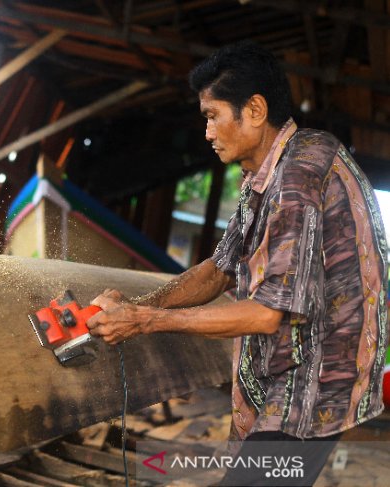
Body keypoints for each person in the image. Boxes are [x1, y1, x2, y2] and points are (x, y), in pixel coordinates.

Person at [86, 40, 389, 486]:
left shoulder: (298, 176)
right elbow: (218, 270)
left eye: (212, 116)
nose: (206, 132)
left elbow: (267, 314)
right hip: (290, 371)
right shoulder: (263, 176)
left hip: (315, 381)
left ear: (255, 109)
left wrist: (143, 321)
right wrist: (136, 304)